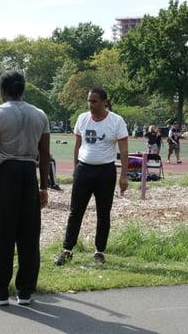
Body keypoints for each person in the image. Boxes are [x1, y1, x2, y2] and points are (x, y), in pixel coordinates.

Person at [0, 70, 50, 306]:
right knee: (29, 234)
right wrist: (43, 187)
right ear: (23, 89)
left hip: (5, 173)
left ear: (3, 89)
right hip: (29, 174)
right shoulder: (39, 114)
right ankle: (25, 291)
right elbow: (45, 154)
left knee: (0, 234)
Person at [54, 87, 129, 266]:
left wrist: (124, 176)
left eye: (94, 101)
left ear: (105, 101)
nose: (91, 105)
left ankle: (99, 251)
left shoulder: (116, 121)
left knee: (103, 214)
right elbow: (77, 145)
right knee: (75, 211)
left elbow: (124, 151)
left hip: (105, 172)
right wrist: (76, 168)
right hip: (84, 170)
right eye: (89, 101)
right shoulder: (82, 118)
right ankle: (67, 249)